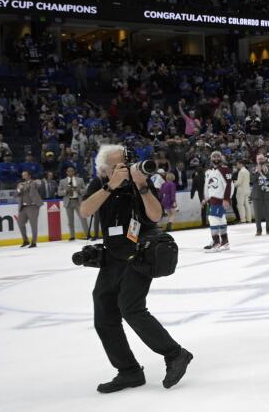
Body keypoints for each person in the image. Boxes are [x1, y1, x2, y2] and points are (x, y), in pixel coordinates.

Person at [79, 144, 193, 393]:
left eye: (127, 163)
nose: (126, 168)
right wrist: (110, 186)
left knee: (130, 307)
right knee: (103, 312)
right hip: (112, 255)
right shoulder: (99, 184)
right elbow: (85, 210)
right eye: (119, 165)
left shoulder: (138, 182)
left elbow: (155, 216)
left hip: (139, 252)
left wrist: (141, 186)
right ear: (105, 169)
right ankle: (128, 371)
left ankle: (175, 354)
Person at [203, 151, 232, 250]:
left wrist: (227, 198)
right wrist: (205, 198)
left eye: (218, 156)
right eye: (214, 157)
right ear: (211, 158)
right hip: (213, 199)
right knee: (221, 219)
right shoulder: (209, 171)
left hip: (220, 199)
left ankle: (216, 242)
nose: (216, 158)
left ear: (221, 158)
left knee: (213, 219)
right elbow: (207, 186)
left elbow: (229, 185)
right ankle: (224, 241)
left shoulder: (225, 170)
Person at [16, 170, 43, 247]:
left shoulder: (34, 182)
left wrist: (32, 183)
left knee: (33, 225)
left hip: (33, 206)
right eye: (23, 175)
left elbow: (38, 184)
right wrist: (19, 189)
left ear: (29, 176)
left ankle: (34, 242)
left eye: (25, 175)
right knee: (20, 222)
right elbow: (16, 195)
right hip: (23, 207)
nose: (24, 176)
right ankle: (25, 240)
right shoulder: (20, 184)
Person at [61, 166, 89, 240]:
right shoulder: (62, 181)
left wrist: (79, 190)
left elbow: (85, 190)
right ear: (66, 172)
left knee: (83, 218)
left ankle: (87, 234)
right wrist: (66, 191)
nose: (71, 172)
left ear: (74, 171)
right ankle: (72, 236)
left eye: (72, 171)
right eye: (69, 171)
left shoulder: (80, 180)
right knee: (70, 221)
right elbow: (59, 192)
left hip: (78, 201)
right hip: (68, 202)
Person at [251, 154, 269, 236]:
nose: (261, 160)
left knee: (268, 213)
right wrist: (258, 173)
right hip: (257, 195)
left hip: (268, 194)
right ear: (256, 160)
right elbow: (252, 180)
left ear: (264, 159)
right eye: (259, 159)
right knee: (257, 214)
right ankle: (259, 230)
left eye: (262, 159)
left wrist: (265, 173)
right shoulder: (252, 169)